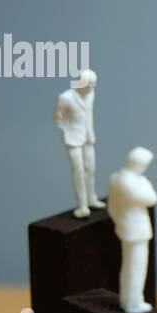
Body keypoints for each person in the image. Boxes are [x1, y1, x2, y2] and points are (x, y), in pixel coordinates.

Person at [108, 147, 157, 313]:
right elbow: (152, 198)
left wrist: (119, 222)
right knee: (136, 268)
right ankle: (132, 302)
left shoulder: (115, 178)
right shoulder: (130, 182)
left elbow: (112, 208)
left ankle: (130, 299)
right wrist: (145, 183)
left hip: (126, 228)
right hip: (136, 230)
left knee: (131, 267)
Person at [54, 69, 104, 218]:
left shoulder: (91, 95)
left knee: (91, 168)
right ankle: (82, 205)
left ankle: (91, 198)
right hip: (72, 139)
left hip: (88, 137)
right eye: (89, 86)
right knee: (79, 172)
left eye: (93, 85)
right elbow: (58, 119)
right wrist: (67, 132)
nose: (91, 89)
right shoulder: (65, 97)